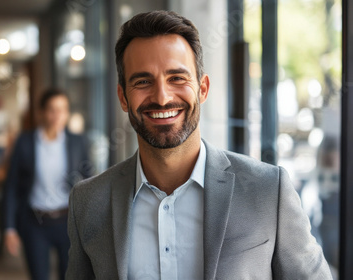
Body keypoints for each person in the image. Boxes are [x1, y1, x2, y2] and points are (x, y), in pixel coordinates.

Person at [66, 10, 332, 280]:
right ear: (123, 97)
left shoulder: (268, 190)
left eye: (177, 78)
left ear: (202, 88)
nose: (162, 97)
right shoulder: (88, 202)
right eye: (143, 81)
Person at [3, 88, 92, 280]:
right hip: (35, 223)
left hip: (67, 223)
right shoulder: (25, 142)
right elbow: (11, 186)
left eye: (63, 109)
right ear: (41, 113)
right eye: (52, 109)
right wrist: (9, 228)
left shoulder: (77, 142)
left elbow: (89, 182)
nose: (58, 115)